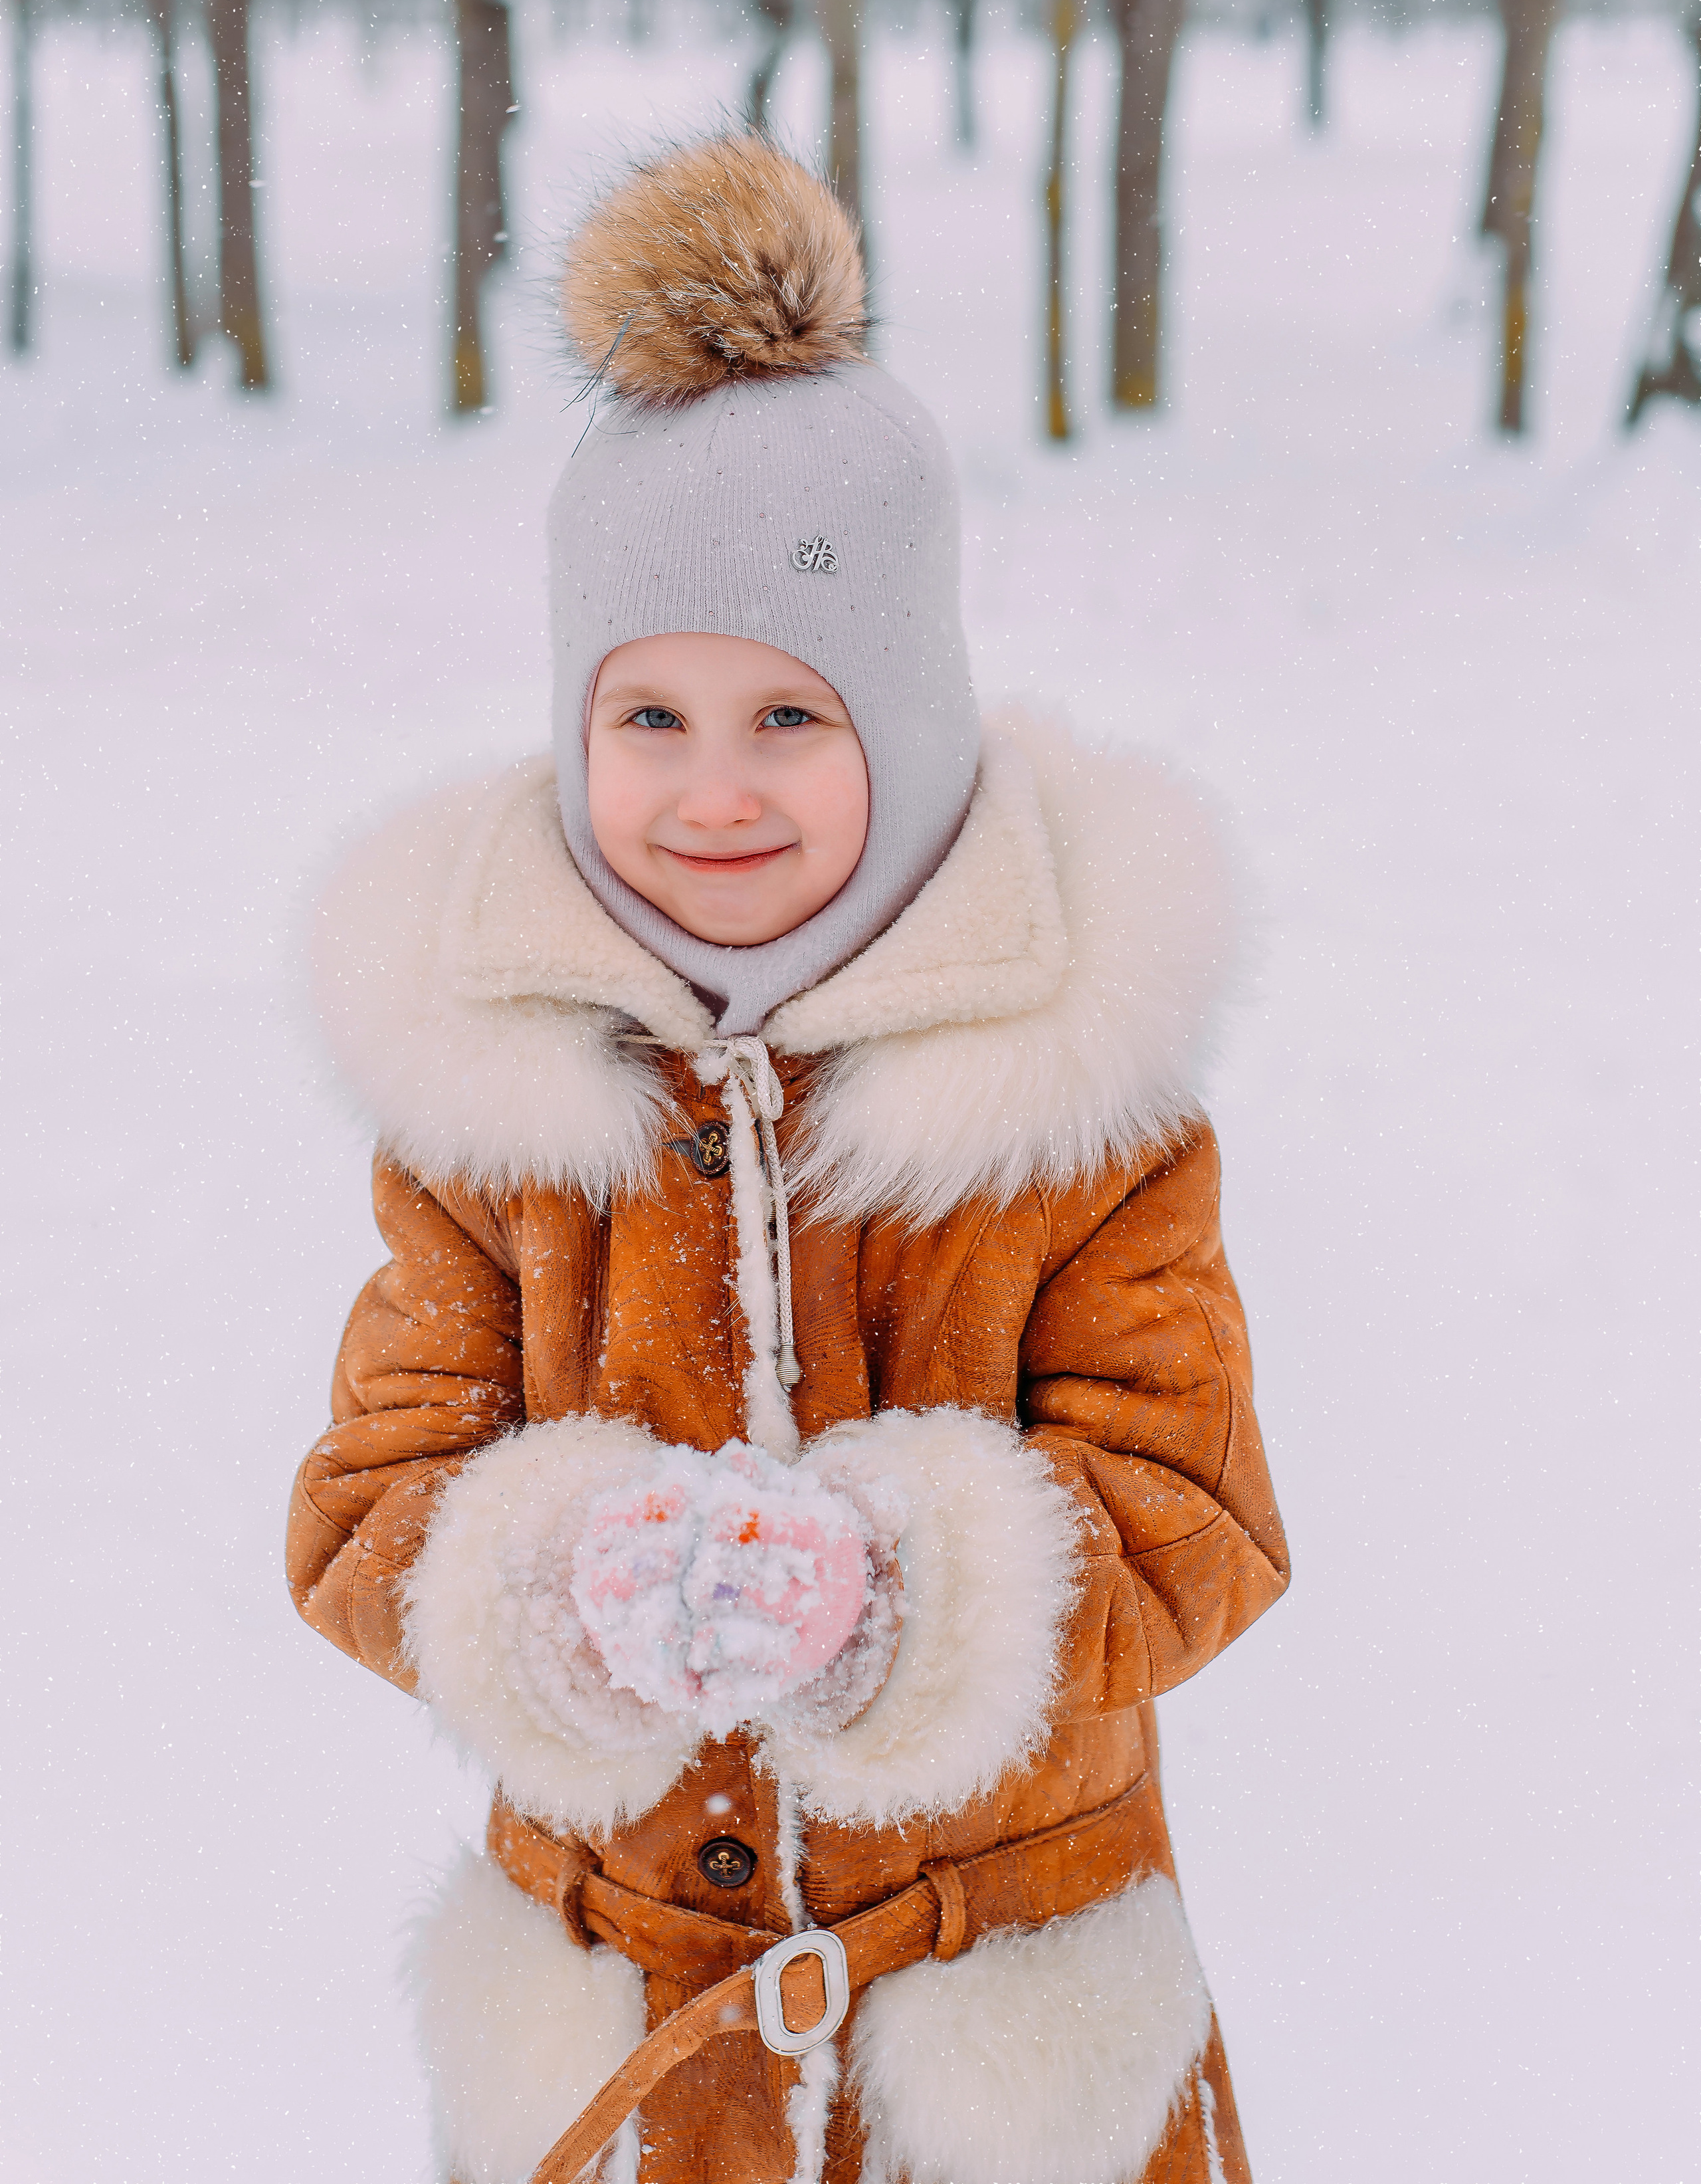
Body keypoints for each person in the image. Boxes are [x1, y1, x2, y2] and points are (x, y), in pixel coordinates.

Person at [287, 132, 1290, 2184]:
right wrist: (545, 1582)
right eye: (645, 717)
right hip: (634, 2051)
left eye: (791, 719)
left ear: (907, 723)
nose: (710, 792)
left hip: (1008, 2042)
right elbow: (370, 1500)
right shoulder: (505, 1096)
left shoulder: (1069, 1092)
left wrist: (912, 1593)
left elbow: (1195, 1512)